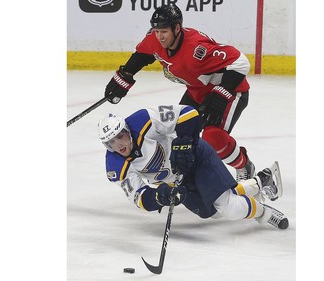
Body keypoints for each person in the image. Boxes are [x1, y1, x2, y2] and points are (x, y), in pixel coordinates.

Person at [104, 4, 255, 182]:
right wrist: (125, 75)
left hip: (229, 92)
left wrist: (222, 91)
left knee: (213, 137)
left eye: (164, 31)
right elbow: (144, 54)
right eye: (157, 30)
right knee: (180, 132)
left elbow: (240, 62)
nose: (159, 36)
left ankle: (244, 165)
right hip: (197, 91)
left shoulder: (197, 49)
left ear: (177, 28)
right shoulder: (155, 38)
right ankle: (189, 175)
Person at [97, 105, 289, 229]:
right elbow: (139, 198)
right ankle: (260, 181)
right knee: (212, 213)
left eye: (120, 136)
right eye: (111, 142)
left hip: (196, 158)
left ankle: (265, 213)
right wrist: (160, 196)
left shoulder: (144, 119)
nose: (119, 145)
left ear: (127, 130)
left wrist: (185, 141)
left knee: (228, 206)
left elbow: (188, 113)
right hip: (177, 180)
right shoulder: (116, 166)